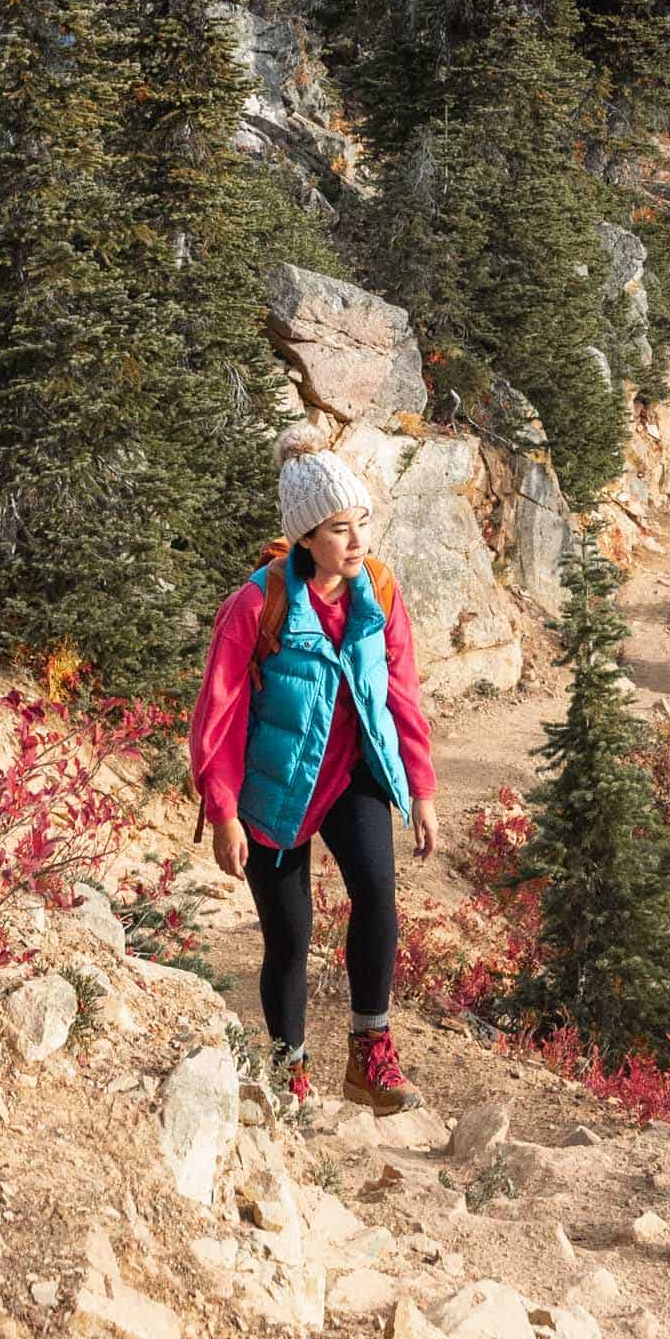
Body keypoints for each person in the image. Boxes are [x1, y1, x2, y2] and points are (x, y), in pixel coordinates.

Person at [189, 426, 438, 1110]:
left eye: (361, 522)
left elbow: (401, 692)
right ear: (304, 537)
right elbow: (219, 712)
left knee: (378, 899)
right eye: (339, 529)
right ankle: (289, 1073)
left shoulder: (378, 591)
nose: (357, 541)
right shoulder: (256, 604)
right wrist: (224, 811)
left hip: (353, 774)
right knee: (289, 939)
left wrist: (420, 787)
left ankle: (371, 1056)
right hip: (276, 792)